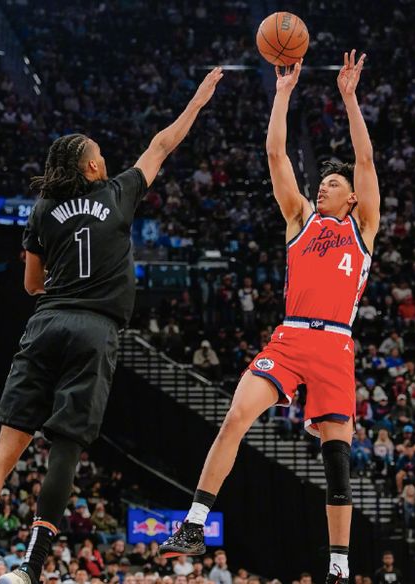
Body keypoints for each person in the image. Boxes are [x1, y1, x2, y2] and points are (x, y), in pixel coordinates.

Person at [0, 68, 224, 584]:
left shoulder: (43, 209)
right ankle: (29, 569)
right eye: (100, 153)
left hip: (46, 322)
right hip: (94, 331)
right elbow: (161, 145)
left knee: (2, 454)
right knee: (64, 448)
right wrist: (198, 102)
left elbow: (31, 284)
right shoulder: (118, 193)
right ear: (92, 165)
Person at [159, 51, 380, 584]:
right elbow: (276, 153)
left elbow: (366, 160)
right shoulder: (300, 217)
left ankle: (338, 565)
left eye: (333, 184)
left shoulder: (364, 227)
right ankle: (194, 521)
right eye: (322, 181)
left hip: (336, 345)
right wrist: (282, 94)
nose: (324, 185)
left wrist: (350, 99)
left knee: (336, 459)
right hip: (291, 337)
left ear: (353, 199)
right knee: (236, 415)